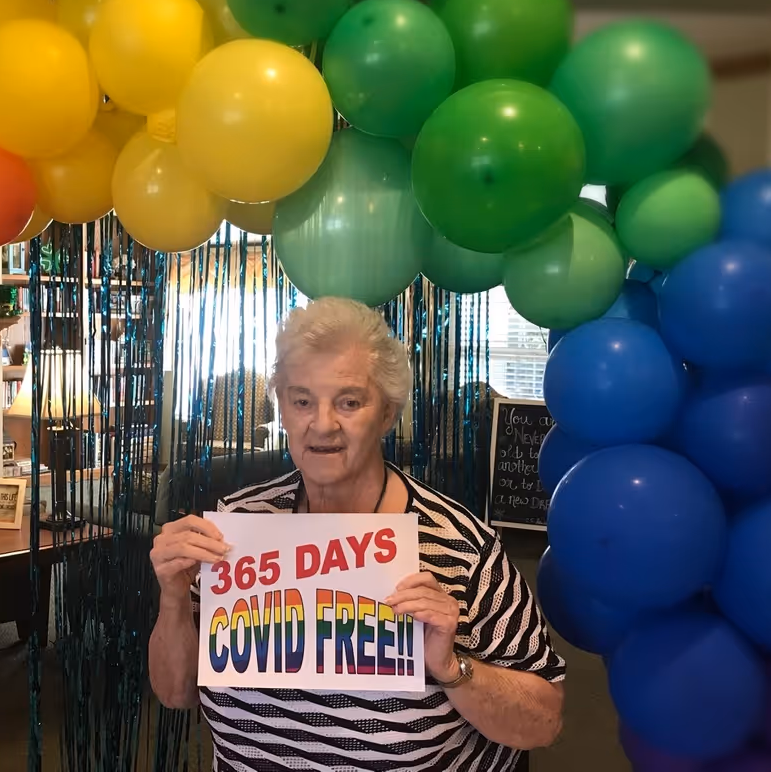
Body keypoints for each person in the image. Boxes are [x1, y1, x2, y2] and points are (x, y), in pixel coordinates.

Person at [149, 298, 565, 771]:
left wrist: (452, 668)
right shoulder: (234, 529)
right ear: (281, 407)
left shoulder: (461, 546)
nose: (322, 425)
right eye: (302, 400)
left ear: (386, 414)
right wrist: (173, 598)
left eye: (349, 401)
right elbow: (175, 692)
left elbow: (544, 722)